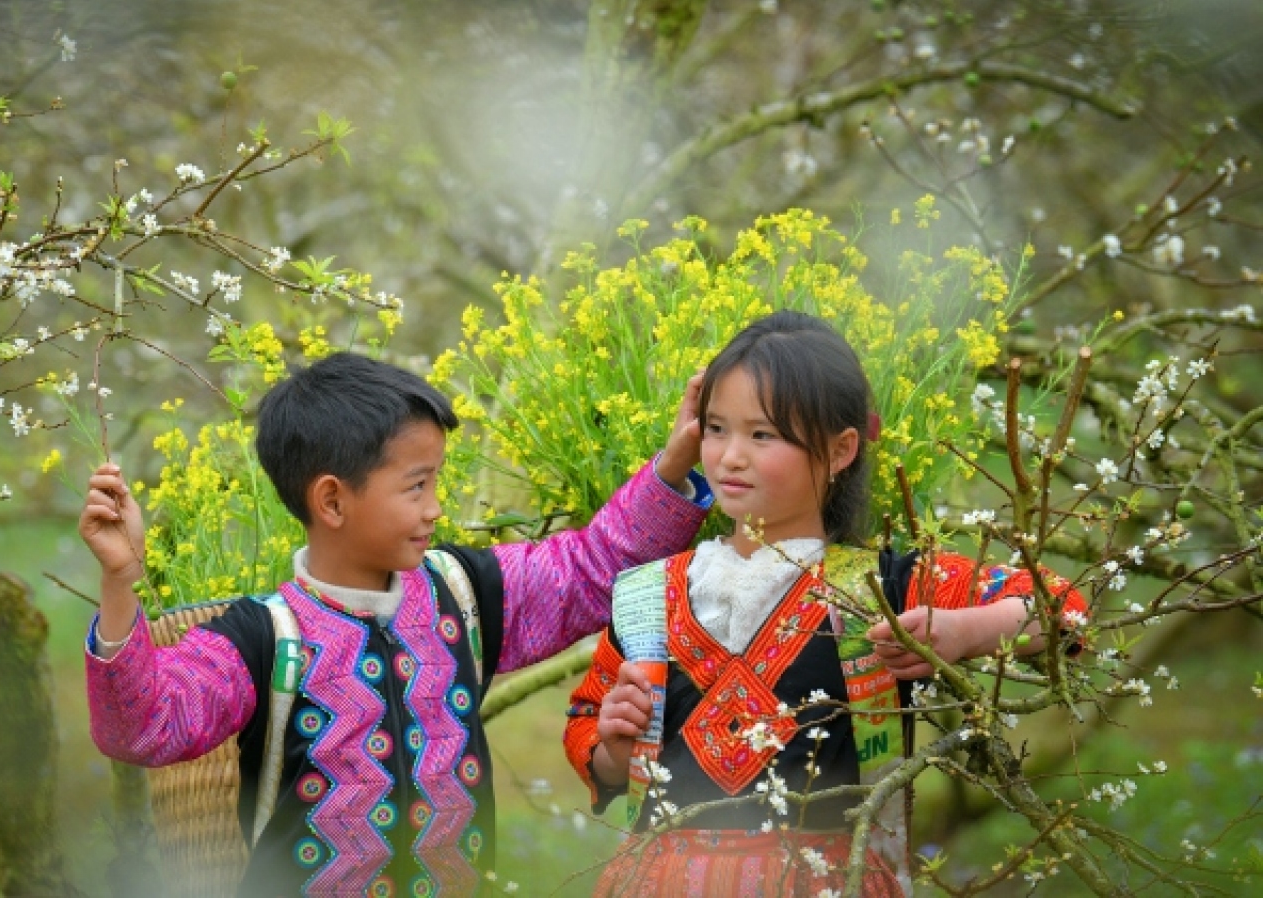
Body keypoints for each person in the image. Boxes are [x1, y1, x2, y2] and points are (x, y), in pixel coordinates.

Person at [80, 351, 717, 895]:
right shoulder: (264, 638)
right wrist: (118, 583)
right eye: (416, 486)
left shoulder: (463, 596)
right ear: (332, 499)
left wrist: (675, 461)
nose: (436, 508)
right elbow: (143, 728)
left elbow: (592, 565)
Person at [563, 311, 1088, 897]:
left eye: (762, 435)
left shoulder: (880, 589)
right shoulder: (646, 595)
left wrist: (965, 630)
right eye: (715, 428)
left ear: (841, 450)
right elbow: (589, 733)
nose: (732, 455)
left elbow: (1058, 607)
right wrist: (614, 747)